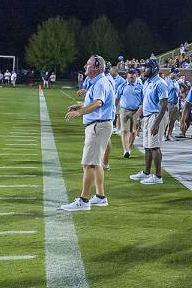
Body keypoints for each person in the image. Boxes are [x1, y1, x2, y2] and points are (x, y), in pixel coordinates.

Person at [60, 55, 115, 211]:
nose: (85, 66)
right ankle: (100, 196)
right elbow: (94, 101)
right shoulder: (97, 82)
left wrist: (80, 112)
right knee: (96, 163)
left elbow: (98, 103)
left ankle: (84, 201)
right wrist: (79, 106)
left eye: (88, 64)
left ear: (96, 67)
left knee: (88, 164)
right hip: (99, 124)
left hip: (98, 125)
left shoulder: (101, 82)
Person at [129, 59, 168, 185]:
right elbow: (145, 103)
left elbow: (163, 104)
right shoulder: (147, 83)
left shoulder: (160, 83)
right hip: (147, 116)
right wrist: (139, 118)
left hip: (156, 115)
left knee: (155, 146)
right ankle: (146, 172)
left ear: (154, 69)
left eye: (147, 67)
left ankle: (158, 176)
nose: (144, 69)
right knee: (147, 146)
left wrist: (156, 123)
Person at [116, 68, 144, 158]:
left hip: (136, 110)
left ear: (136, 75)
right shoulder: (122, 85)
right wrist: (114, 109)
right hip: (124, 109)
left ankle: (129, 147)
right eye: (130, 73)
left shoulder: (140, 86)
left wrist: (141, 112)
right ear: (127, 75)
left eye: (133, 73)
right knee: (124, 130)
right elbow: (117, 98)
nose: (131, 75)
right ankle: (126, 150)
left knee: (133, 131)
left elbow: (144, 100)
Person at [165, 69, 181, 141]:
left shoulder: (176, 82)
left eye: (176, 73)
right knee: (166, 120)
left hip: (175, 103)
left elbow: (178, 92)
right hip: (169, 103)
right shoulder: (166, 81)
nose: (176, 75)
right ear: (171, 73)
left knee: (173, 120)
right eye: (174, 73)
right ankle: (164, 134)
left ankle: (170, 134)